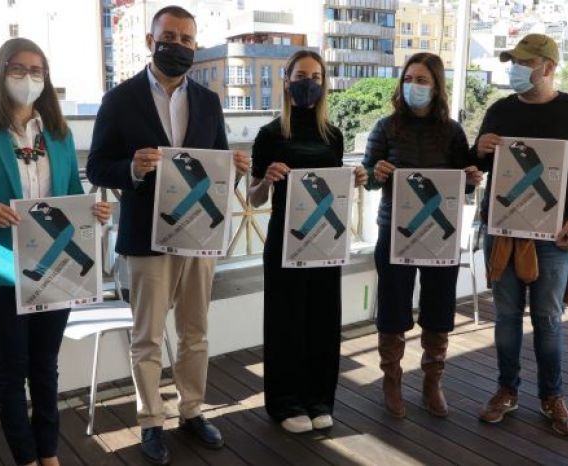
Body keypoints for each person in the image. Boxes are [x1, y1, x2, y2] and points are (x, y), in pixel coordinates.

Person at [86, 6, 249, 464]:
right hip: (146, 237)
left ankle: (192, 411)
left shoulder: (209, 100)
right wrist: (132, 169)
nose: (177, 45)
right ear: (149, 40)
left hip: (200, 236)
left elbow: (217, 169)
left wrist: (234, 171)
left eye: (186, 38)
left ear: (195, 45)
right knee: (148, 337)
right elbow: (96, 166)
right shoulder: (119, 99)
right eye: (169, 36)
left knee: (196, 332)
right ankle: (150, 421)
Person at [0, 38, 110, 466]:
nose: (29, 78)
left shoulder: (59, 134)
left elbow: (71, 196)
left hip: (54, 269)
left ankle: (49, 452)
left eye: (37, 70)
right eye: (19, 69)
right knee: (11, 369)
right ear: (0, 73)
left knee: (45, 367)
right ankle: (25, 456)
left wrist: (94, 210)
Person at [471, 34, 568, 436]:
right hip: (502, 229)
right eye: (513, 61)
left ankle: (552, 396)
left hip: (555, 235)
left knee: (548, 318)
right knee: (507, 317)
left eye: (524, 63)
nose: (515, 69)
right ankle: (506, 391)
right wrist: (479, 149)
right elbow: (474, 163)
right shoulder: (498, 109)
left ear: (548, 67)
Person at [248, 50, 367, 434]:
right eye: (302, 74)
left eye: (316, 76)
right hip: (285, 240)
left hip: (326, 242)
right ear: (286, 80)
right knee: (286, 324)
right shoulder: (269, 134)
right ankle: (285, 404)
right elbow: (253, 198)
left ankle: (319, 399)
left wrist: (356, 180)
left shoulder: (333, 134)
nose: (309, 82)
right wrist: (267, 179)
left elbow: (335, 187)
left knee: (322, 321)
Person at [363, 52, 482, 419]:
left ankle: (433, 381)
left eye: (422, 80)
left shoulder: (452, 131)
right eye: (409, 79)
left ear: (437, 86)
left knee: (439, 306)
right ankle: (392, 381)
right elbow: (367, 178)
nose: (414, 86)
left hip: (440, 232)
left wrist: (471, 178)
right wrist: (375, 173)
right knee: (394, 306)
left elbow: (463, 179)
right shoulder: (384, 127)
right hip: (394, 230)